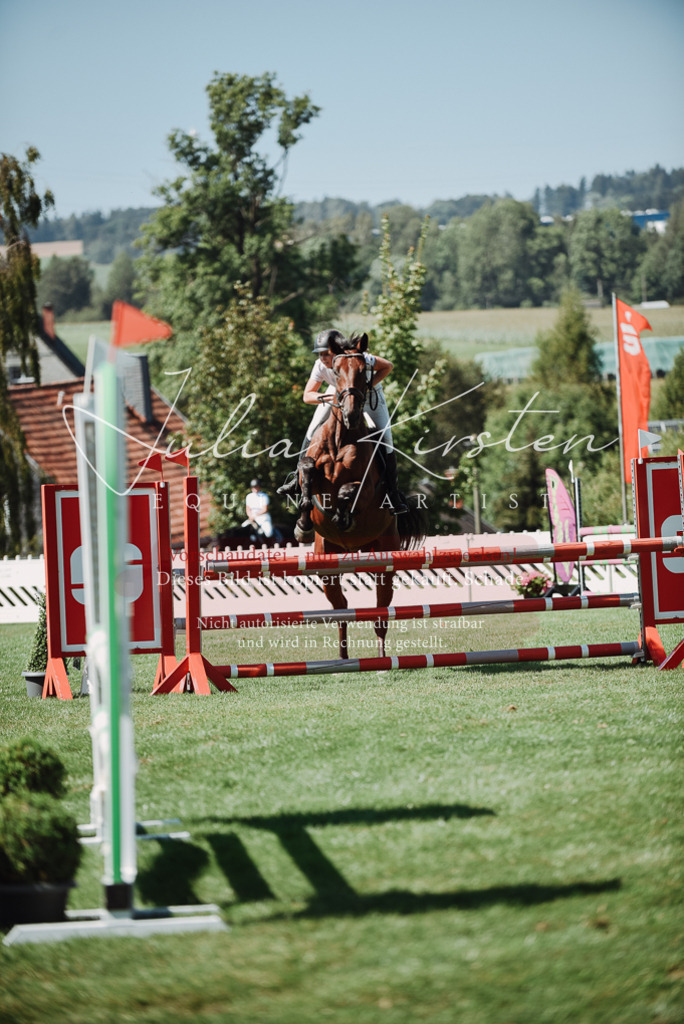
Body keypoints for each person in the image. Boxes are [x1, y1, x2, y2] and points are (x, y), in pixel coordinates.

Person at [277, 328, 408, 514]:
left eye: (326, 353)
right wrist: (329, 398)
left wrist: (369, 386)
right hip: (336, 395)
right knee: (312, 429)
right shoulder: (320, 366)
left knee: (386, 438)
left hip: (370, 397)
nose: (323, 358)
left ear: (335, 350)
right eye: (320, 354)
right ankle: (297, 477)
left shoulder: (365, 359)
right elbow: (307, 396)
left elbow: (388, 366)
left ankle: (393, 493)